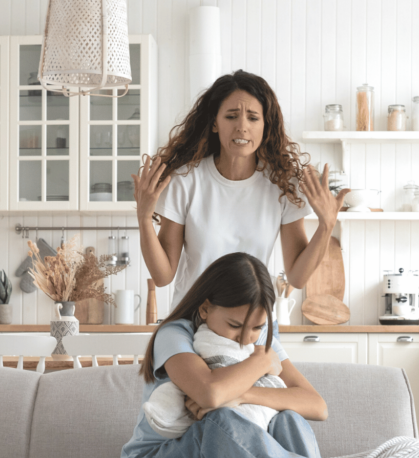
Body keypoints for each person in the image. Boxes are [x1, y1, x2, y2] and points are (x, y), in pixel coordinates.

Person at [120, 252, 394, 458]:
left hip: (223, 453)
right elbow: (210, 395)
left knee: (287, 418)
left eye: (258, 328)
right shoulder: (175, 334)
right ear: (206, 308)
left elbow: (316, 405)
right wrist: (260, 364)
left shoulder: (262, 342)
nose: (246, 338)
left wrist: (244, 392)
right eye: (235, 326)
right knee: (221, 421)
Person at [132, 70, 350, 307]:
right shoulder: (185, 181)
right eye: (231, 116)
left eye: (253, 118)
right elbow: (163, 277)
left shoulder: (283, 185)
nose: (242, 127)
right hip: (193, 318)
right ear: (215, 123)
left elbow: (297, 278)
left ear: (266, 126)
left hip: (254, 320)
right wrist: (144, 218)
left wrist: (326, 225)